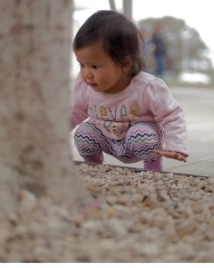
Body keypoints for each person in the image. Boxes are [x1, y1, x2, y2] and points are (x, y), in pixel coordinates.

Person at [70, 11, 188, 171]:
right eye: (81, 65)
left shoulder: (147, 87)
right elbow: (75, 111)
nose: (86, 74)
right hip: (106, 138)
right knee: (83, 133)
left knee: (141, 135)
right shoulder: (85, 86)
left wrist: (176, 145)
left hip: (139, 140)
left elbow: (171, 116)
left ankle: (153, 169)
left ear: (125, 64)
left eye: (94, 66)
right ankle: (93, 167)